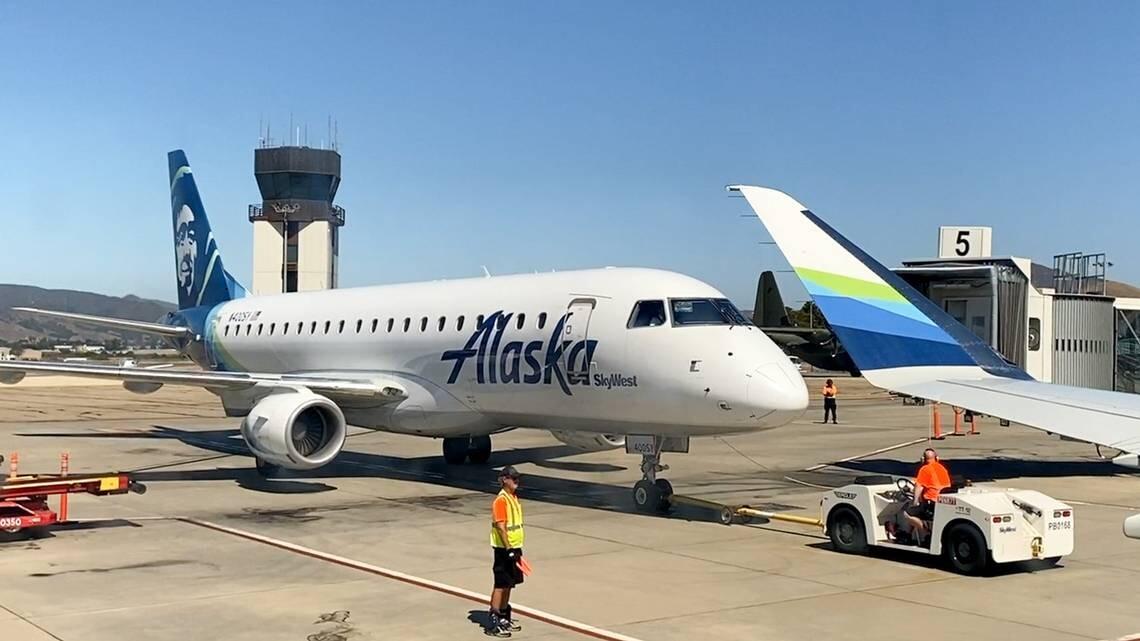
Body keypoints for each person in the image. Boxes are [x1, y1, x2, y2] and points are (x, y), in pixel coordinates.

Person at [488, 465, 525, 637]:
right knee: (501, 584)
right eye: (512, 478)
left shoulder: (513, 498)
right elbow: (501, 526)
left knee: (510, 583)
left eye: (517, 477)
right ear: (504, 480)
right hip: (504, 548)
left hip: (514, 547)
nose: (516, 480)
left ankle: (503, 615)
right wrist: (509, 548)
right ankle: (494, 620)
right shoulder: (501, 500)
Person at [903, 448, 951, 543]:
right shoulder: (942, 468)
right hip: (943, 500)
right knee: (917, 511)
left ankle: (925, 533)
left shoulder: (924, 469)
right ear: (937, 458)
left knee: (907, 513)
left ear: (923, 459)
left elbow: (918, 487)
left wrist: (915, 501)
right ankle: (908, 534)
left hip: (931, 504)